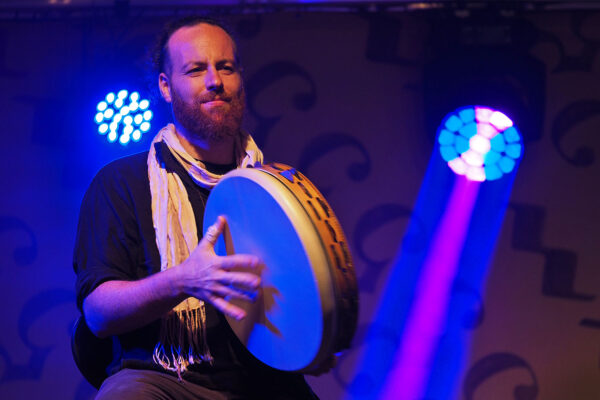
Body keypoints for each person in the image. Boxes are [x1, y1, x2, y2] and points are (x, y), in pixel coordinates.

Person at [73, 16, 324, 399]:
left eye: (226, 67)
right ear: (165, 87)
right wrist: (185, 280)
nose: (214, 81)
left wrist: (315, 340)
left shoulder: (275, 188)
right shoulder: (122, 182)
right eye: (195, 70)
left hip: (265, 383)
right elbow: (98, 314)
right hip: (162, 379)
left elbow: (305, 296)